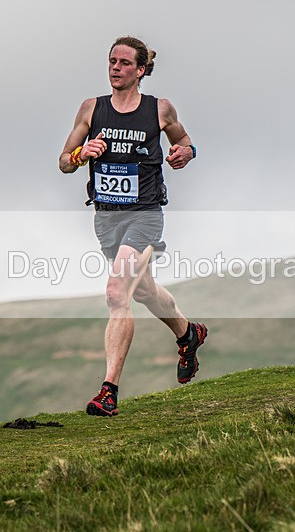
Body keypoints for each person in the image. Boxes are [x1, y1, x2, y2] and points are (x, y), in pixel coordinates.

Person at [59, 36, 207, 417]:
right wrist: (81, 153)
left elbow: (186, 142)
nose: (115, 67)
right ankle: (188, 334)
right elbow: (63, 161)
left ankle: (108, 391)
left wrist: (184, 153)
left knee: (116, 293)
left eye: (124, 63)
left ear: (141, 70)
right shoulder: (92, 109)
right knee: (144, 292)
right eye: (112, 61)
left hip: (145, 214)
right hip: (107, 218)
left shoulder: (160, 110)